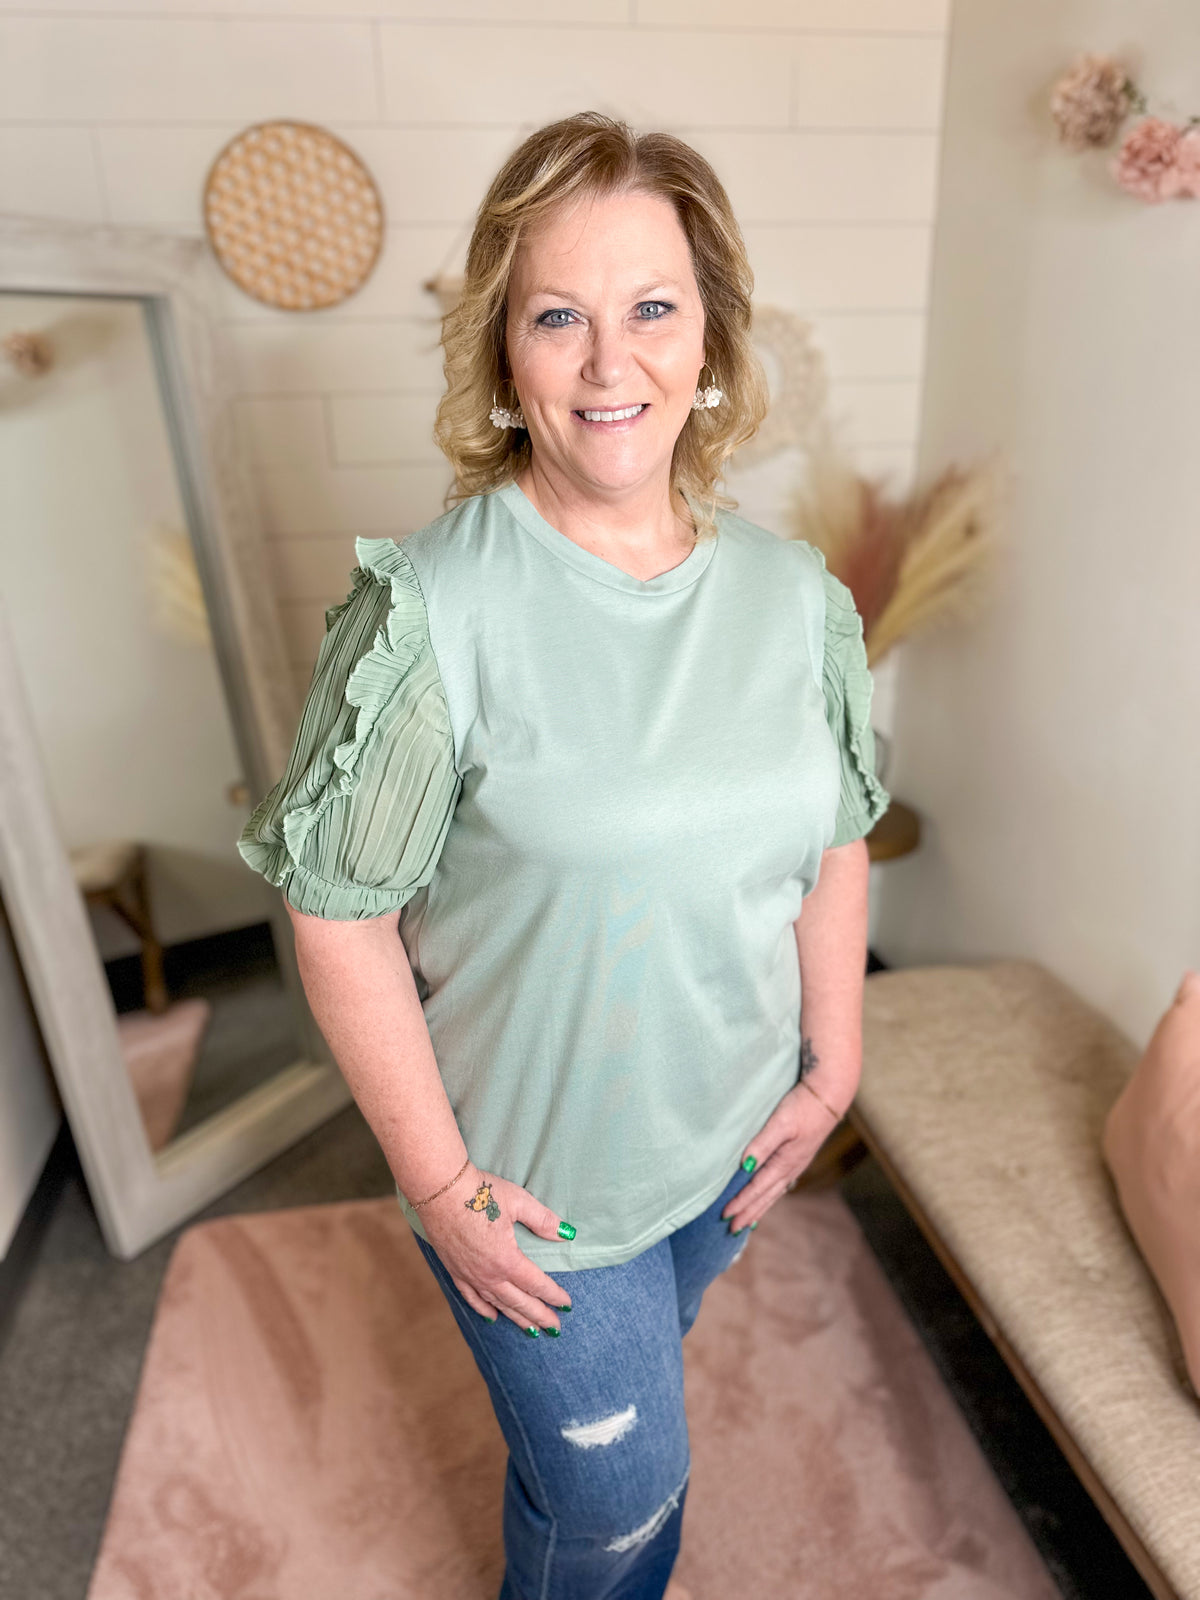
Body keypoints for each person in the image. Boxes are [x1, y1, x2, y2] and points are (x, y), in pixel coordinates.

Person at [237, 110, 890, 1600]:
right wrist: (441, 1188)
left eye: (652, 308)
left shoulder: (798, 599)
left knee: (606, 1438)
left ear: (710, 336)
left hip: (727, 1142)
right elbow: (335, 917)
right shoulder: (428, 612)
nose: (610, 363)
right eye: (557, 317)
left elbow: (838, 834)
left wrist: (832, 1065)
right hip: (532, 1186)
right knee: (617, 1499)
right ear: (503, 351)